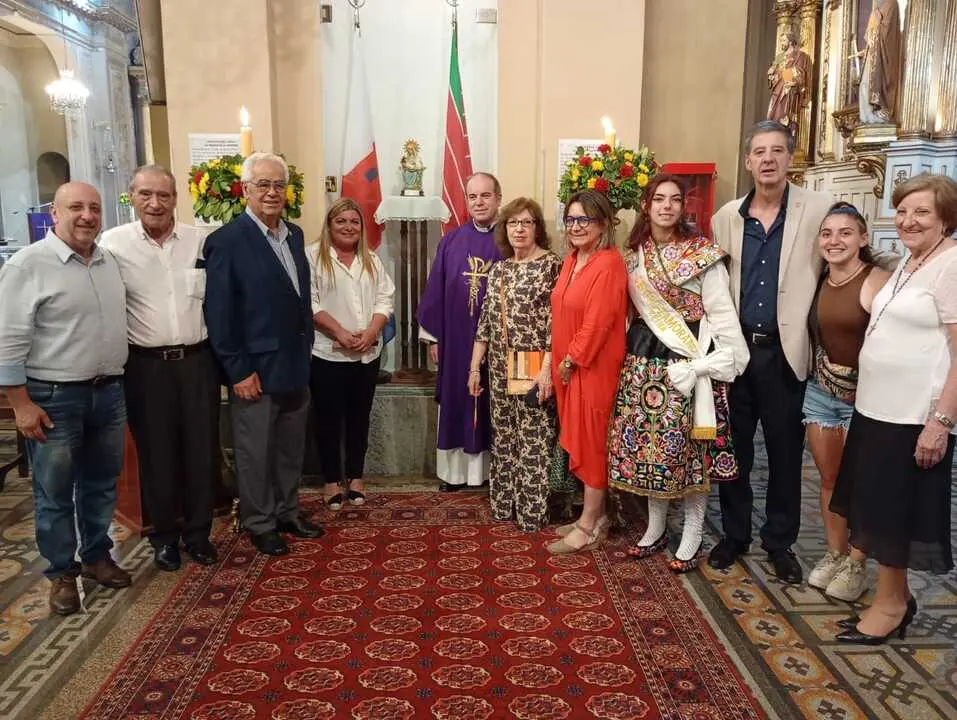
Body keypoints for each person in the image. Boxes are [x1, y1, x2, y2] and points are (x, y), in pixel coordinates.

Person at [831, 174, 957, 645]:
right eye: (902, 211)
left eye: (922, 212)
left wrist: (940, 422)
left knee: (896, 513)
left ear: (945, 216)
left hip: (913, 417)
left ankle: (889, 605)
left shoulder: (952, 264)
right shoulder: (911, 261)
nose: (908, 220)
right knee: (878, 507)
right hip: (876, 409)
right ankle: (895, 598)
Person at [709, 120, 835, 584]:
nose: (768, 159)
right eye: (759, 152)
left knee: (785, 453)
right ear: (748, 161)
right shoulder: (726, 217)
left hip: (785, 353)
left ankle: (780, 541)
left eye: (777, 151)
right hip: (737, 353)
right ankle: (735, 534)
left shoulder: (819, 208)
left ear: (789, 157)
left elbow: (843, 260)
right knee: (733, 450)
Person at [0, 182, 130, 615]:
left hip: (108, 393)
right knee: (54, 492)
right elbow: (7, 342)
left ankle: (96, 556)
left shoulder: (108, 261)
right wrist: (21, 404)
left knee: (100, 484)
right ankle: (60, 574)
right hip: (53, 398)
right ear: (53, 213)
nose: (87, 216)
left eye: (94, 207)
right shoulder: (27, 265)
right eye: (75, 207)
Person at [608, 175, 749, 573]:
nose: (667, 206)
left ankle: (693, 533)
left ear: (683, 207)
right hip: (642, 362)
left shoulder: (702, 254)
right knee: (653, 450)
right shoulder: (633, 254)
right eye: (658, 199)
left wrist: (721, 361)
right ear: (646, 205)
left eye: (674, 200)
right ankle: (656, 529)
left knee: (688, 452)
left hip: (686, 361)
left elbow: (720, 311)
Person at [100, 165, 220, 572]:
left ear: (176, 199)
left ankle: (199, 534)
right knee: (157, 454)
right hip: (146, 367)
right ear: (132, 196)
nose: (155, 203)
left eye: (164, 195)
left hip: (198, 362)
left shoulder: (199, 241)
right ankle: (164, 537)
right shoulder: (113, 245)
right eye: (146, 194)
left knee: (202, 450)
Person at [204, 152, 322, 556]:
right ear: (245, 190)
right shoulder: (227, 241)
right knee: (255, 451)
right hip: (254, 369)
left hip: (294, 363)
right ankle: (259, 521)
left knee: (291, 447)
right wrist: (237, 371)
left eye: (278, 185)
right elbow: (219, 314)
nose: (272, 192)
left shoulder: (295, 235)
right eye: (263, 185)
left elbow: (298, 298)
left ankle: (288, 511)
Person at [803, 202, 889, 601]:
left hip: (868, 398)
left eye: (845, 232)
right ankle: (835, 553)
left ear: (863, 238)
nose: (834, 241)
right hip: (822, 392)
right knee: (831, 480)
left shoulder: (878, 279)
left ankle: (857, 562)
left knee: (866, 486)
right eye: (827, 233)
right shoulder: (815, 278)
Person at [468, 198, 561, 532]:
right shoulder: (500, 268)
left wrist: (546, 369)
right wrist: (474, 367)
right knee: (504, 437)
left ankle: (532, 513)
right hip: (497, 364)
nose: (519, 229)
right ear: (504, 229)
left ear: (538, 228)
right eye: (513, 223)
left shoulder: (551, 265)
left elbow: (557, 324)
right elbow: (486, 323)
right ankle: (504, 504)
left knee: (533, 440)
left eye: (527, 222)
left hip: (531, 362)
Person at [547, 190, 628, 554]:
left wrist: (570, 360)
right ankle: (596, 515)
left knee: (592, 441)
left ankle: (590, 523)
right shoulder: (572, 260)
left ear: (602, 224)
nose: (576, 226)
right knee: (579, 434)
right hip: (569, 366)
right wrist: (558, 361)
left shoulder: (609, 263)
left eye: (585, 220)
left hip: (591, 366)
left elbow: (599, 323)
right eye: (571, 219)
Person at [417, 172, 504, 491]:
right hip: (456, 341)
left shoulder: (511, 239)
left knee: (496, 401)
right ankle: (455, 475)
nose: (479, 202)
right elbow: (435, 292)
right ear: (466, 201)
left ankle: (495, 474)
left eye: (485, 195)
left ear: (498, 198)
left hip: (499, 343)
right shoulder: (451, 241)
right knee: (457, 399)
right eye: (472, 197)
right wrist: (434, 338)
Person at [308, 198, 395, 510]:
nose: (348, 227)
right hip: (327, 354)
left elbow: (385, 298)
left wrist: (371, 332)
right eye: (341, 221)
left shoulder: (370, 259)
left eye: (354, 222)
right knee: (328, 419)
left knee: (359, 419)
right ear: (330, 225)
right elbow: (311, 302)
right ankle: (332, 480)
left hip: (365, 356)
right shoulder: (312, 256)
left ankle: (356, 478)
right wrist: (340, 333)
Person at [857, 0, 901, 124]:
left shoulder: (892, 4)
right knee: (864, 85)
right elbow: (869, 36)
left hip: (881, 56)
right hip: (872, 54)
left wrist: (877, 21)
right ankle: (866, 117)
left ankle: (878, 114)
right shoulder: (877, 7)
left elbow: (888, 32)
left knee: (874, 83)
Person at [766, 32, 812, 136]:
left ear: (790, 42)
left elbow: (800, 72)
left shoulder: (800, 55)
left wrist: (785, 73)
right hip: (777, 89)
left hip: (788, 90)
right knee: (772, 114)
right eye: (781, 40)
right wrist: (772, 75)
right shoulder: (779, 57)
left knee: (785, 117)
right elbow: (773, 71)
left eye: (783, 40)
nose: (781, 43)